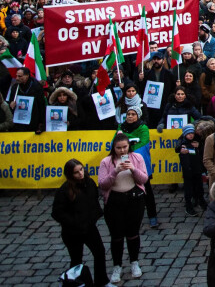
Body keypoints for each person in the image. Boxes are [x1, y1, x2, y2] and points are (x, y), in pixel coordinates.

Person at [98, 132, 149, 285]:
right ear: (113, 148)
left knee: (133, 233)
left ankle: (134, 262)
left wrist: (133, 169)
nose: (122, 151)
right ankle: (117, 265)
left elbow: (144, 179)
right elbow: (102, 184)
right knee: (117, 235)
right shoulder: (106, 162)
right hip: (114, 201)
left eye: (125, 147)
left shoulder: (137, 158)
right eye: (118, 148)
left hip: (134, 199)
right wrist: (115, 171)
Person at [52, 159, 107, 287]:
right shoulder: (64, 190)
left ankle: (102, 281)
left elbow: (93, 201)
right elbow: (57, 213)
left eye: (81, 170)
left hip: (89, 227)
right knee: (76, 260)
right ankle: (74, 283)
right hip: (72, 232)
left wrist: (93, 216)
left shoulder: (89, 183)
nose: (80, 174)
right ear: (70, 174)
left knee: (99, 252)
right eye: (76, 172)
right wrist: (74, 222)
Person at [118, 104, 158, 228]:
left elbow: (143, 142)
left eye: (133, 114)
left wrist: (127, 148)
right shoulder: (121, 127)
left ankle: (152, 216)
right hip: (125, 162)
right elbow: (116, 141)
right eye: (128, 114)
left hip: (141, 163)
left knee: (147, 191)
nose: (130, 116)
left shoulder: (143, 127)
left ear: (138, 115)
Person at [176, 124, 206, 216]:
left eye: (192, 133)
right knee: (188, 189)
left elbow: (202, 150)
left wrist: (199, 146)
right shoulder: (182, 143)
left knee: (199, 187)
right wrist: (181, 149)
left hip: (197, 168)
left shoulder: (197, 141)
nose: (191, 135)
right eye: (188, 133)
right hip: (188, 170)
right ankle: (189, 206)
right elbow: (177, 148)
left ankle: (201, 201)